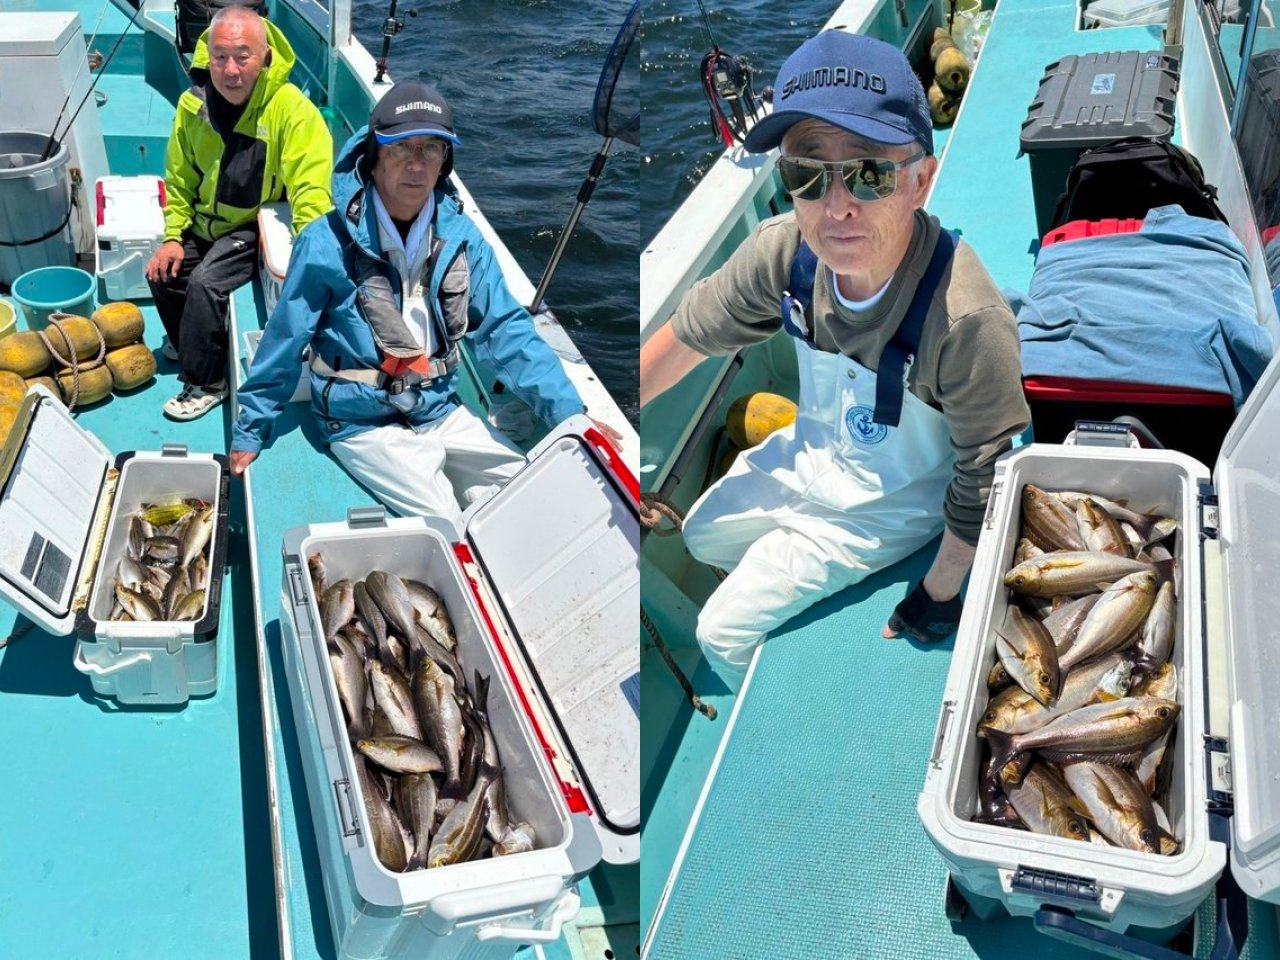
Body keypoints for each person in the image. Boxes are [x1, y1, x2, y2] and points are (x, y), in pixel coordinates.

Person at [639, 30, 1030, 685]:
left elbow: (985, 472)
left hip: (895, 501)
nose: (838, 206)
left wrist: (940, 590)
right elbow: (685, 337)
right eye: (807, 173)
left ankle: (768, 709)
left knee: (719, 630)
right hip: (811, 455)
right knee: (701, 534)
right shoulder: (783, 254)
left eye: (871, 171)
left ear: (921, 182)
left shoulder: (965, 317)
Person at [230, 80, 622, 525]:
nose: (417, 165)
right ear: (373, 159)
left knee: (527, 493)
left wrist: (569, 415)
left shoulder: (463, 239)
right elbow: (285, 338)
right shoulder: (324, 243)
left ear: (444, 164)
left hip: (440, 407)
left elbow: (506, 328)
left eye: (431, 150)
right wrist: (251, 428)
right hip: (360, 423)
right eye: (402, 149)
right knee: (447, 520)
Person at [146, 6, 333, 421]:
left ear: (265, 57)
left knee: (205, 283)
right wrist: (174, 235)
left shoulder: (292, 111)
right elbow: (178, 177)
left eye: (243, 57)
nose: (230, 70)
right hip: (203, 222)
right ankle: (186, 339)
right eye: (220, 57)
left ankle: (208, 380)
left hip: (251, 225)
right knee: (161, 273)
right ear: (205, 55)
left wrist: (312, 254)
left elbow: (310, 189)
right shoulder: (191, 105)